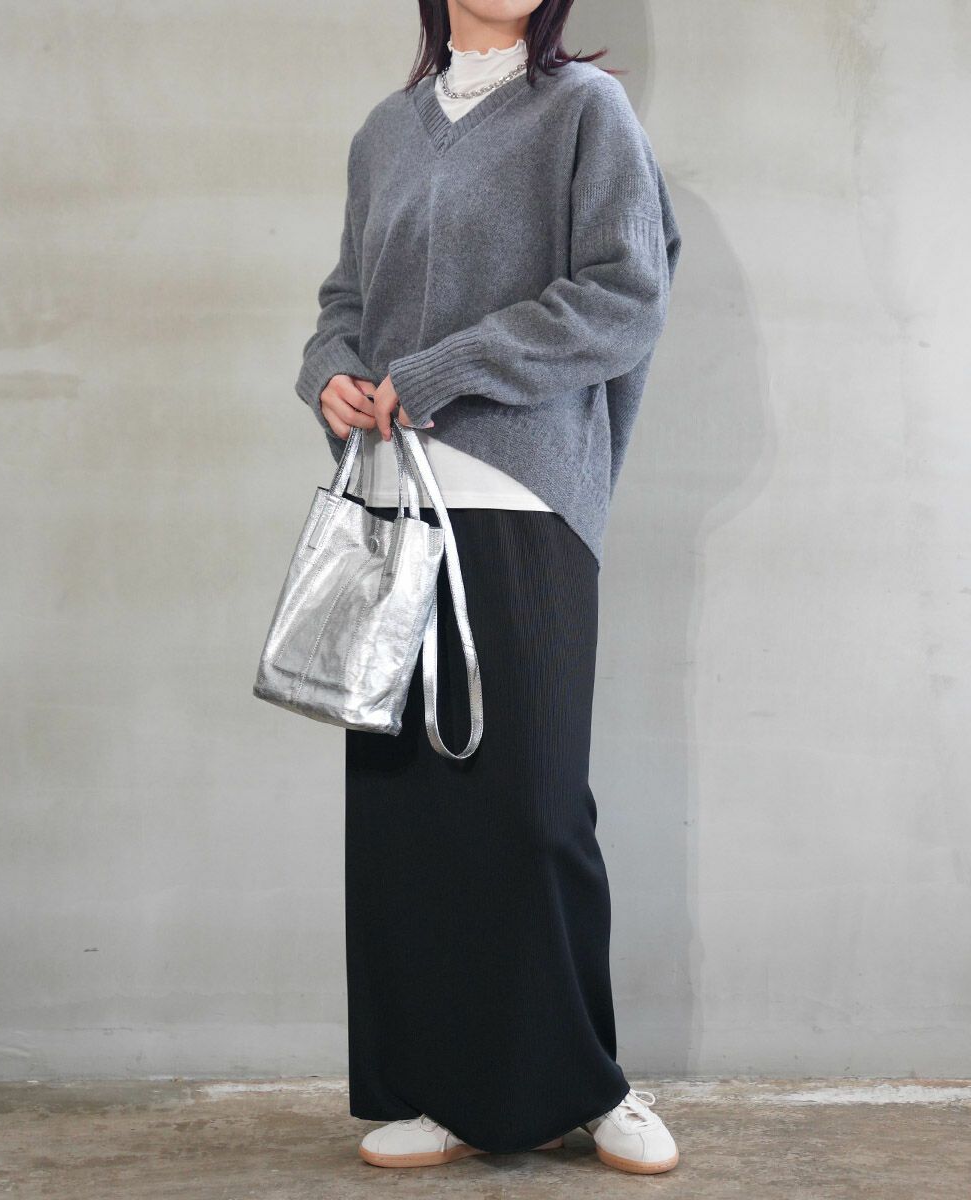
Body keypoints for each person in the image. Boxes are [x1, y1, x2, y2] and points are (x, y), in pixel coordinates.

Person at [294, 0, 682, 1175]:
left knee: (535, 808)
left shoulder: (583, 111)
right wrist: (331, 377)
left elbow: (623, 293)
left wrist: (445, 368)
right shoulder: (386, 131)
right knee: (411, 818)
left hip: (525, 499)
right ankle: (444, 1086)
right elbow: (345, 305)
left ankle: (589, 1086)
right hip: (391, 501)